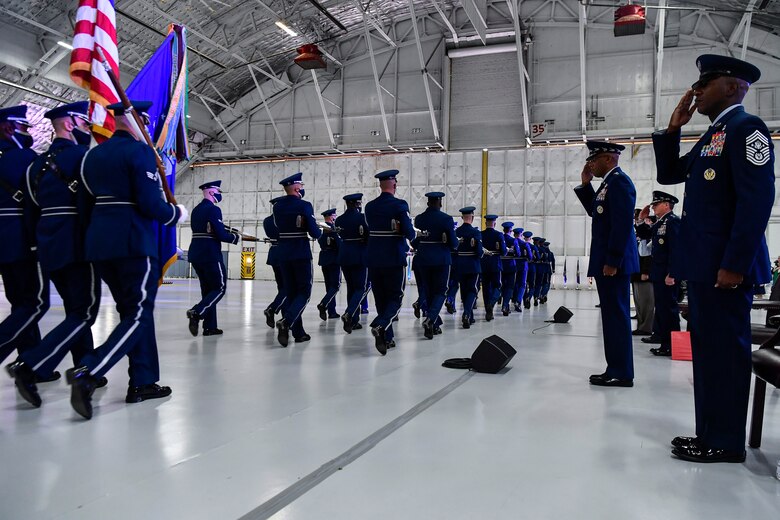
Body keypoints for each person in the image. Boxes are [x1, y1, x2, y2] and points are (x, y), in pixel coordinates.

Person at [653, 54, 774, 463]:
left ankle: (724, 441)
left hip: (726, 268)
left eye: (707, 82)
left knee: (725, 353)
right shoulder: (713, 134)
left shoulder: (747, 128)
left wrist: (735, 263)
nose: (697, 91)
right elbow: (669, 174)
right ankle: (710, 433)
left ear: (734, 86)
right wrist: (673, 130)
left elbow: (756, 201)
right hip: (705, 265)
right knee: (708, 353)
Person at [66, 100, 188, 419]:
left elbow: (83, 207)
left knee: (133, 313)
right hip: (133, 241)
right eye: (145, 122)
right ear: (137, 120)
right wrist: (174, 213)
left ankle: (143, 382)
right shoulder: (139, 152)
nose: (147, 128)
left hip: (100, 244)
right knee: (138, 314)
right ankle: (89, 372)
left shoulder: (92, 155)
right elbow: (150, 203)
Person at [6, 102, 105, 406]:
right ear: (70, 123)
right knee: (84, 310)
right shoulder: (82, 157)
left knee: (75, 309)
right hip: (75, 241)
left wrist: (38, 243)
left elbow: (31, 208)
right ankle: (32, 364)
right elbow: (94, 199)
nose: (89, 128)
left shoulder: (37, 165)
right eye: (85, 123)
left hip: (48, 245)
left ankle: (86, 365)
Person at [574, 140, 639, 387]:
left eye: (594, 159)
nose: (590, 163)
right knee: (611, 317)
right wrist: (585, 184)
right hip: (609, 261)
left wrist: (612, 260)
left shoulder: (619, 182)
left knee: (616, 317)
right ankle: (615, 367)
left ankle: (621, 372)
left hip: (615, 263)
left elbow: (621, 227)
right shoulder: (607, 184)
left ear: (609, 159)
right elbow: (597, 212)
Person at [0, 105, 50, 371]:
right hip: (22, 239)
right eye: (23, 128)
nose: (28, 133)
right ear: (9, 128)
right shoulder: (24, 157)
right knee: (34, 302)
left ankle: (33, 364)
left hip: (2, 245)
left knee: (20, 303)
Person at [364, 169, 415, 355]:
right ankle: (381, 324)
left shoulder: (369, 207)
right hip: (394, 256)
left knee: (380, 298)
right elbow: (409, 231)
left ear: (380, 184)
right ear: (394, 184)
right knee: (396, 297)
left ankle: (388, 337)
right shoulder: (400, 205)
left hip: (374, 257)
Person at [272, 172, 321, 347]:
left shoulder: (277, 207)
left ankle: (298, 333)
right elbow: (314, 232)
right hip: (300, 252)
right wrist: (320, 231)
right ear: (296, 187)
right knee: (304, 293)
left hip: (284, 253)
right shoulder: (304, 205)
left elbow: (278, 227)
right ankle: (287, 321)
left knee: (291, 293)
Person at [186, 180, 240, 337]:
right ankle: (197, 312)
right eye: (217, 192)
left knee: (208, 290)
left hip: (196, 253)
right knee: (219, 288)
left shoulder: (196, 210)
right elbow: (221, 235)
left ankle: (210, 327)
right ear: (211, 192)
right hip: (210, 254)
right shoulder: (213, 210)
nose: (219, 195)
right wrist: (235, 237)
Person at [636, 191, 681, 356]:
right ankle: (664, 343)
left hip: (667, 275)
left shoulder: (673, 222)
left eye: (657, 204)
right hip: (659, 273)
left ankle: (671, 345)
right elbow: (645, 235)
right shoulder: (661, 223)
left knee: (669, 310)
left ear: (667, 205)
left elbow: (676, 250)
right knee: (662, 309)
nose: (653, 207)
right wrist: (641, 220)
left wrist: (672, 273)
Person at [413, 192, 457, 339]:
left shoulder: (419, 219)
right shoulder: (446, 219)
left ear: (428, 203)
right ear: (440, 203)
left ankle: (435, 324)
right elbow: (453, 243)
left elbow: (415, 242)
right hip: (441, 259)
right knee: (441, 291)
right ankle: (430, 319)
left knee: (429, 290)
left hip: (423, 258)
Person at [335, 193, 369, 333]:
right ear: (357, 204)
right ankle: (349, 313)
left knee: (351, 288)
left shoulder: (339, 220)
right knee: (361, 288)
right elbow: (368, 235)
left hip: (344, 255)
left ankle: (354, 320)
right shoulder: (362, 218)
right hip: (360, 254)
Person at [456, 207, 483, 328]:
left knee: (464, 290)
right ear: (472, 217)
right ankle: (466, 314)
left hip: (460, 265)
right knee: (472, 290)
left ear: (462, 217)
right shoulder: (475, 233)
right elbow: (479, 251)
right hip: (473, 265)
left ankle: (470, 316)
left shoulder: (457, 232)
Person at [262, 197, 286, 328]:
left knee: (281, 287)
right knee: (288, 287)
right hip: (284, 252)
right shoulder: (282, 220)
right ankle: (273, 308)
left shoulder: (267, 221)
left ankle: (284, 313)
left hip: (274, 252)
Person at [631, 210, 655, 337]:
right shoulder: (635, 230)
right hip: (635, 271)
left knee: (646, 302)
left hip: (644, 272)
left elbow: (647, 254)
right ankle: (641, 326)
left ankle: (646, 327)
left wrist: (645, 271)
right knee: (639, 302)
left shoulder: (649, 230)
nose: (635, 219)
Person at [316, 208, 342, 321]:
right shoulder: (332, 229)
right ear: (331, 217)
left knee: (329, 286)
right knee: (335, 286)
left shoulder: (321, 229)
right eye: (334, 216)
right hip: (334, 259)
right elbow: (339, 244)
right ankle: (324, 304)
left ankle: (332, 311)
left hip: (324, 258)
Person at [480, 214, 506, 321]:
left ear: (486, 224)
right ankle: (491, 303)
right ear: (494, 224)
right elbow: (503, 252)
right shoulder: (499, 235)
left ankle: (488, 312)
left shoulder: (481, 234)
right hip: (495, 263)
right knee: (497, 286)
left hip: (484, 264)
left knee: (486, 288)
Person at [498, 222, 519, 316]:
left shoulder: (500, 238)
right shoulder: (513, 240)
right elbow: (518, 254)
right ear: (511, 230)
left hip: (501, 265)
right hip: (510, 265)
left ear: (503, 230)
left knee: (502, 285)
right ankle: (505, 305)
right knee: (509, 286)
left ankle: (500, 299)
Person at [511, 228, 529, 312]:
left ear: (514, 234)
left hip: (513, 265)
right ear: (521, 235)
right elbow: (530, 256)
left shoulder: (512, 241)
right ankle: (518, 301)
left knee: (515, 283)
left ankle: (513, 299)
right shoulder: (524, 244)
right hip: (522, 266)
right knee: (522, 284)